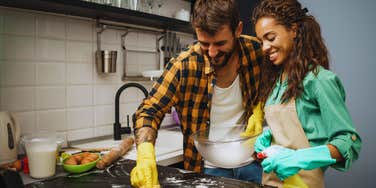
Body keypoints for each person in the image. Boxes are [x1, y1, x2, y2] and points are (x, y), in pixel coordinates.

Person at [129, 0, 265, 187]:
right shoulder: (184, 65)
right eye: (204, 43)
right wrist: (145, 154)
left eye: (220, 43)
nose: (212, 52)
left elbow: (283, 75)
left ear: (238, 30)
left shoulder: (256, 50)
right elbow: (148, 111)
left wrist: (260, 108)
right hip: (207, 169)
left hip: (253, 164)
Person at [247, 0, 362, 187]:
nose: (264, 47)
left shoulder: (319, 80)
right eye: (261, 41)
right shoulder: (275, 82)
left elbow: (349, 142)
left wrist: (300, 158)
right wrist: (265, 146)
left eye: (270, 37)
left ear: (293, 31)